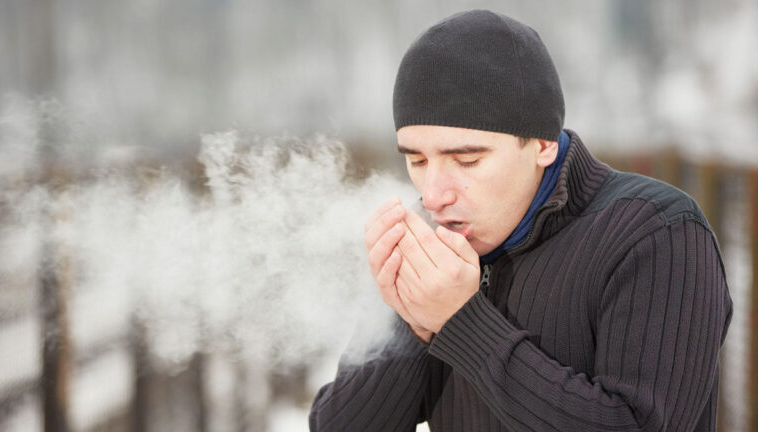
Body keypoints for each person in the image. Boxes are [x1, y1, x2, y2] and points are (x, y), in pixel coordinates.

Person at [310, 9, 732, 431]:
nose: (434, 195)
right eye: (418, 160)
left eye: (467, 160)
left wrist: (461, 322)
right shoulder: (432, 246)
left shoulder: (657, 234)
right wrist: (413, 322)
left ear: (544, 144)